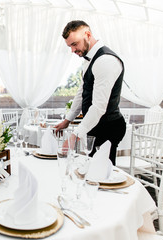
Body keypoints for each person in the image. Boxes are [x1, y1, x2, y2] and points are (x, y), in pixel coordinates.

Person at [54, 20, 126, 165]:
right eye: (70, 46)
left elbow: (99, 106)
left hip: (108, 127)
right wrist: (67, 120)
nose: (72, 50)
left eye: (74, 44)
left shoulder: (105, 60)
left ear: (87, 34)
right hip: (97, 126)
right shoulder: (89, 58)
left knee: (102, 176)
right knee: (89, 170)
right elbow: (83, 92)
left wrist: (75, 135)